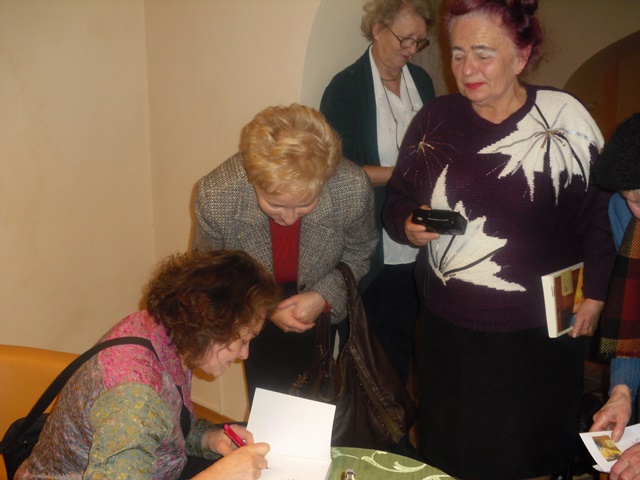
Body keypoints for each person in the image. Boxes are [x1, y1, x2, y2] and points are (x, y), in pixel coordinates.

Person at [381, 0, 616, 478]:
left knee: (530, 455)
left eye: (483, 54)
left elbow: (601, 215)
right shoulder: (435, 119)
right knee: (454, 454)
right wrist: (407, 222)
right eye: (458, 53)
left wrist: (595, 292)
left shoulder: (564, 118)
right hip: (450, 333)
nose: (467, 69)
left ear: (521, 56)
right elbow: (398, 198)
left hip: (540, 332)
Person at [15, 249, 280, 480]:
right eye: (242, 340)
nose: (245, 354)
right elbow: (142, 415)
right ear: (208, 329)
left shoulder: (161, 330)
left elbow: (167, 425)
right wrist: (217, 476)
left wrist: (207, 438)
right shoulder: (136, 399)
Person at [192, 103, 378, 405]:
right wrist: (264, 308)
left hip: (322, 290)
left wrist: (324, 296)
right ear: (253, 179)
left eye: (304, 205)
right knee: (269, 402)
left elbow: (361, 249)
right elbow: (210, 273)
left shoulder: (351, 187)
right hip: (251, 296)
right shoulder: (216, 195)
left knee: (324, 399)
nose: (289, 219)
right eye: (275, 205)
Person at [320, 0, 435, 383]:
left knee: (412, 350)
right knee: (375, 358)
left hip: (421, 240)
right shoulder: (346, 88)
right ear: (377, 29)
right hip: (373, 248)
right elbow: (336, 171)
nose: (411, 49)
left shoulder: (421, 82)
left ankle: (400, 419)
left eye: (419, 41)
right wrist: (401, 174)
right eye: (405, 39)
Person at [589, 113, 640, 480]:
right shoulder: (622, 210)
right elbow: (633, 308)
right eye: (631, 198)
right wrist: (622, 389)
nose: (639, 212)